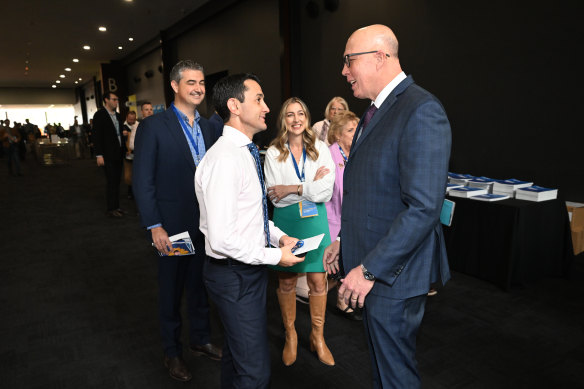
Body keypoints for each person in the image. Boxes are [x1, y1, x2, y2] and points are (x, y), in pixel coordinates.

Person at [323, 24, 452, 389]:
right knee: (383, 369)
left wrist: (368, 270)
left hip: (393, 276)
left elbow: (423, 208)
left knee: (395, 376)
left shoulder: (421, 110)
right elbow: (371, 193)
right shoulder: (374, 112)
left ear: (380, 57)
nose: (344, 71)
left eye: (349, 61)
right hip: (376, 268)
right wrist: (344, 241)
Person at [195, 73, 304, 389]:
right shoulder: (226, 159)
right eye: (258, 99)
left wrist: (278, 237)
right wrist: (275, 256)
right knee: (255, 373)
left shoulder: (243, 152)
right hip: (233, 275)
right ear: (234, 105)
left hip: (245, 271)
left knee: (236, 357)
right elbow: (222, 238)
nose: (267, 107)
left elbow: (249, 215)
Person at [133, 60, 222, 383]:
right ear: (174, 86)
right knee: (171, 292)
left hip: (206, 227)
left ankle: (200, 339)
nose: (198, 88)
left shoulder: (211, 127)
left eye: (201, 83)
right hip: (171, 229)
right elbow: (143, 181)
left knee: (200, 286)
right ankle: (172, 352)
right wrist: (154, 225)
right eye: (191, 83)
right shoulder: (153, 127)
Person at [264, 97, 336, 367]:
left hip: (315, 219)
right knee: (287, 282)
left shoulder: (320, 147)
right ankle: (291, 335)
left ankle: (318, 337)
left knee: (319, 282)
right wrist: (309, 186)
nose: (296, 120)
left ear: (307, 118)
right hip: (286, 223)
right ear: (283, 120)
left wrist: (293, 188)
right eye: (290, 115)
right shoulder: (273, 152)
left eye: (301, 114)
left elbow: (326, 192)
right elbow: (275, 198)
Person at [324, 110, 361, 320]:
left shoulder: (356, 152)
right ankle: (341, 300)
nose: (355, 132)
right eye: (350, 129)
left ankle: (347, 295)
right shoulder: (330, 155)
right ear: (338, 135)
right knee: (342, 261)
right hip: (333, 217)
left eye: (356, 128)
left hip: (351, 216)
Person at [93, 92, 125, 217]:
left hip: (118, 153)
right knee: (111, 181)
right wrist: (99, 155)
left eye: (117, 99)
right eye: (114, 99)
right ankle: (111, 208)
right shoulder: (100, 115)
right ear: (106, 100)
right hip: (107, 155)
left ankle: (116, 207)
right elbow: (96, 136)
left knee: (117, 181)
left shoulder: (117, 115)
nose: (116, 102)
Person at [122, 111, 138, 199]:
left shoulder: (139, 125)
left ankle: (135, 191)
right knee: (128, 176)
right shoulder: (122, 127)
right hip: (127, 155)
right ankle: (130, 190)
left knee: (137, 174)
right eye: (130, 119)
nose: (132, 121)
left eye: (133, 119)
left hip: (138, 154)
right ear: (126, 118)